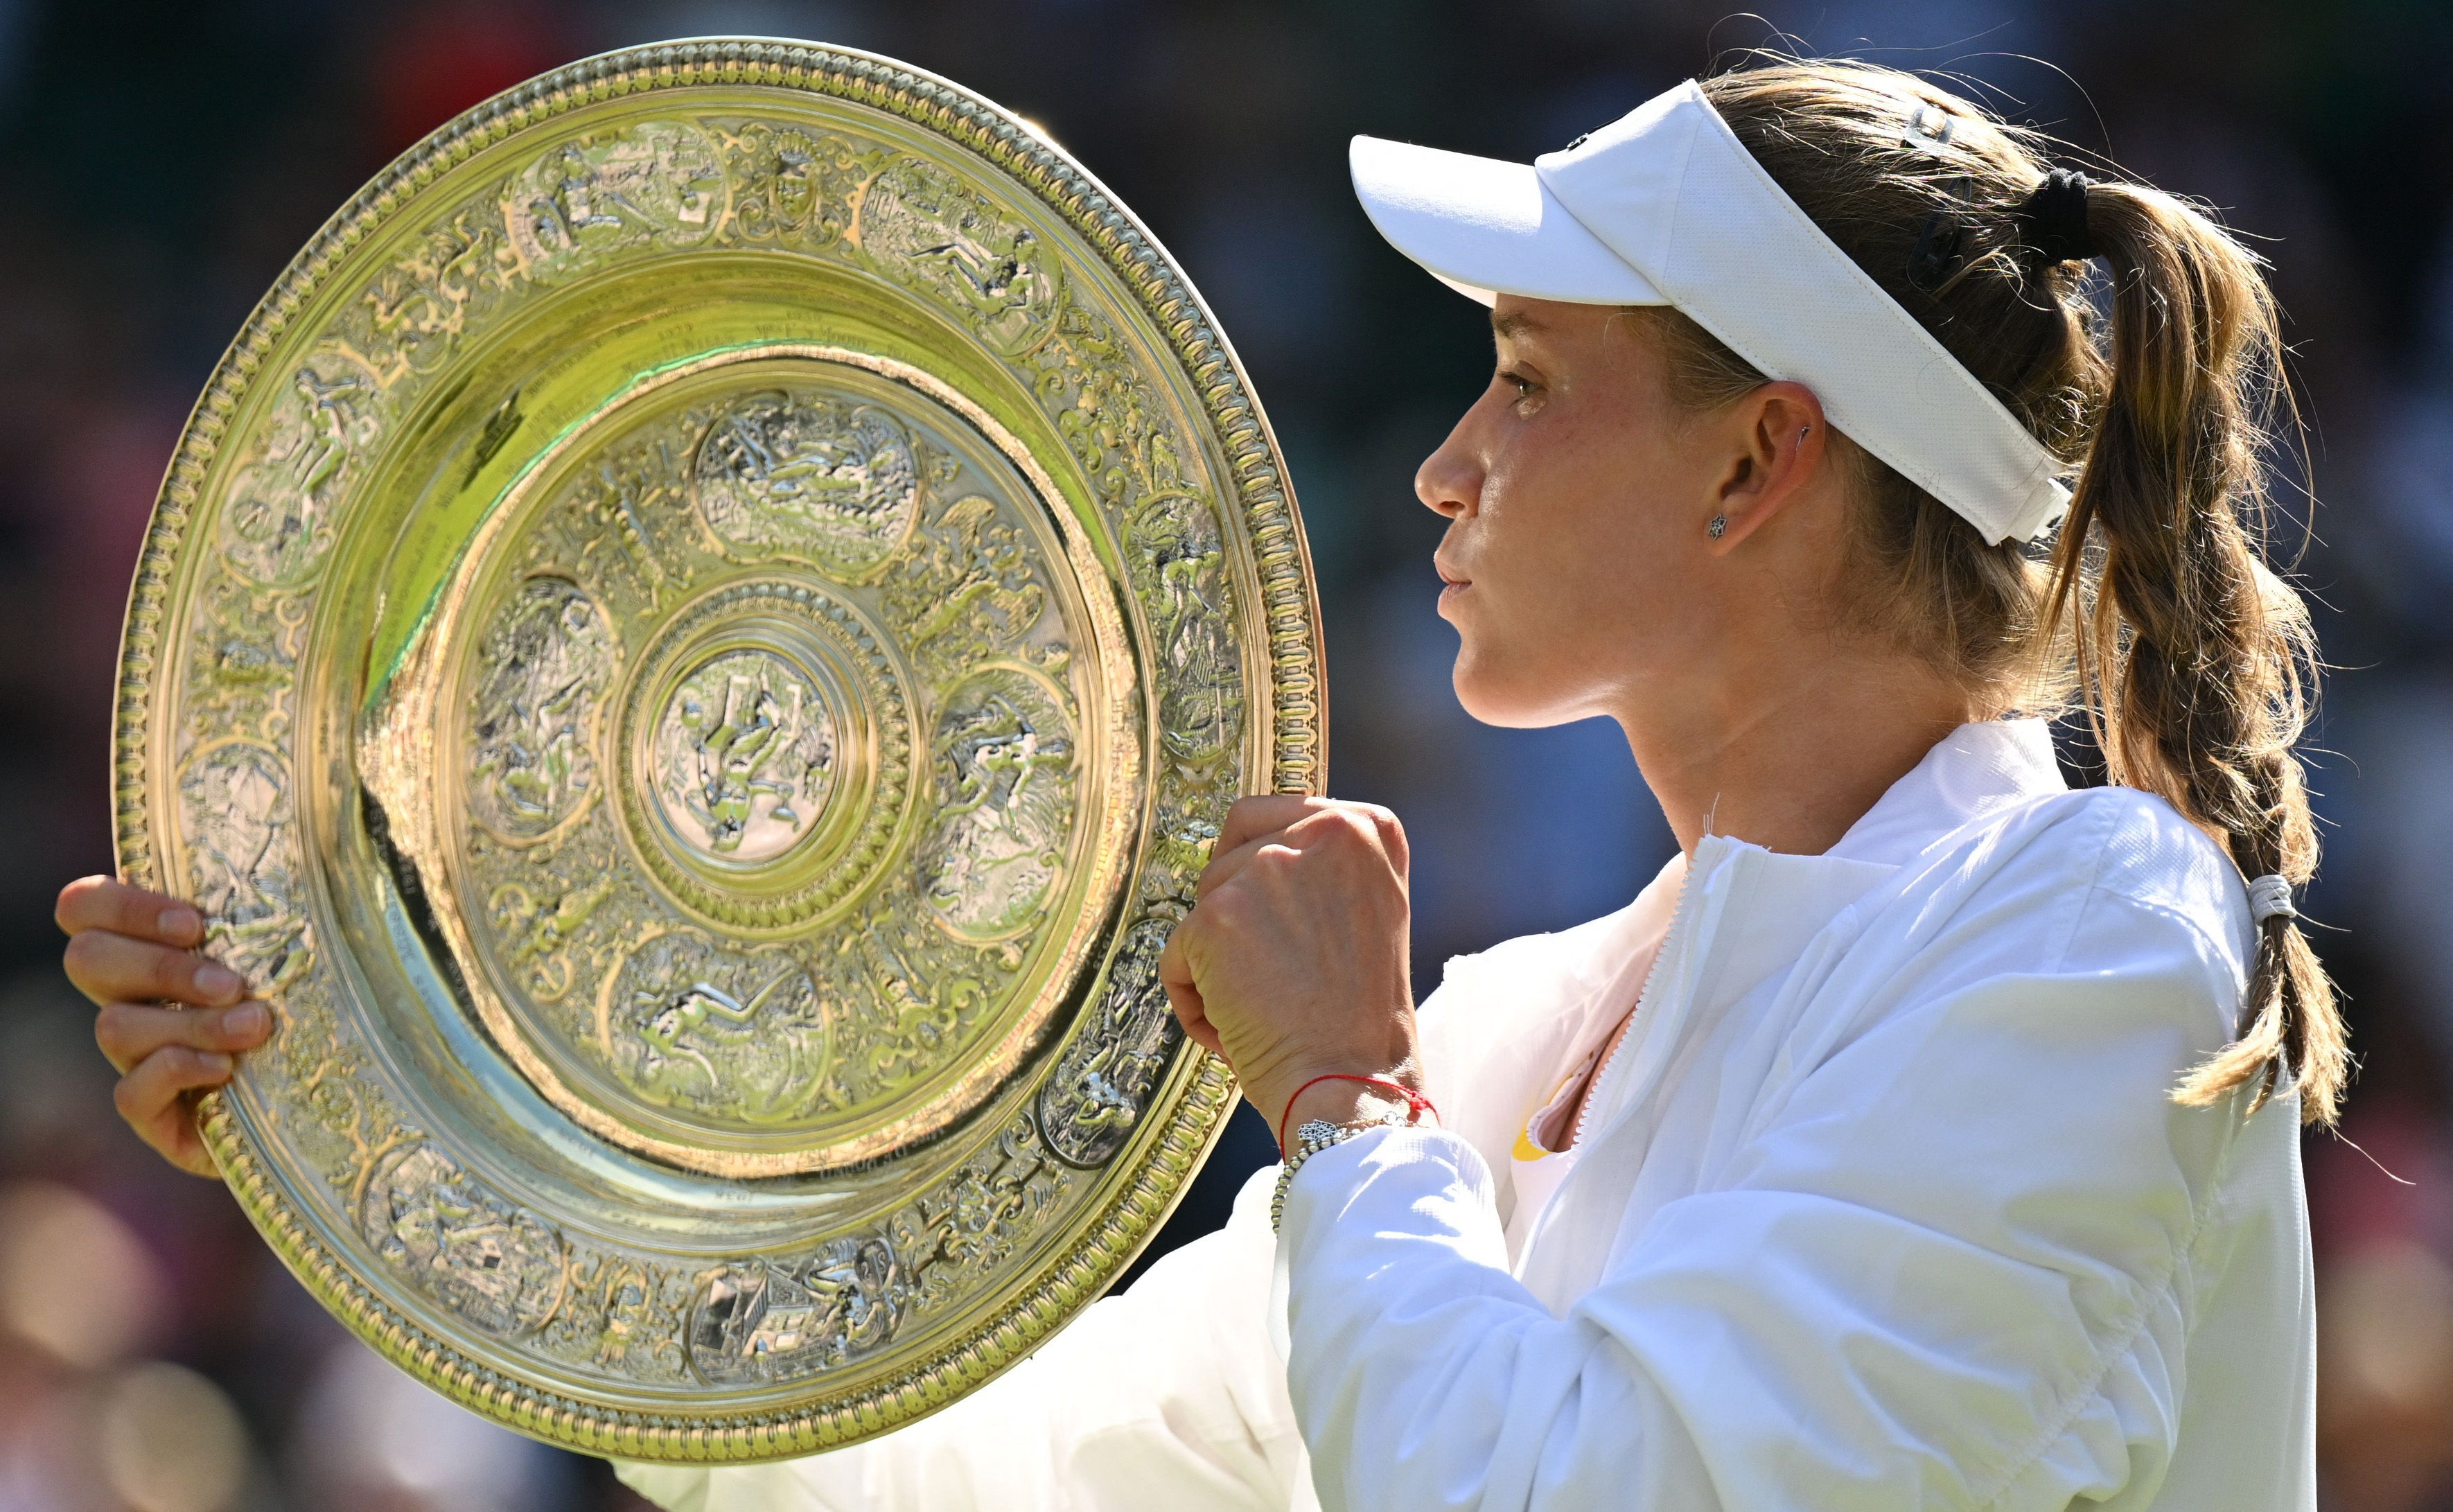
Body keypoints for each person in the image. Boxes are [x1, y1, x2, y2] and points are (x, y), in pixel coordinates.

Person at [58, 57, 2338, 1510]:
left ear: (1762, 458)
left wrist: (1346, 1099)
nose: (1446, 463)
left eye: (1530, 385)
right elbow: (942, 1484)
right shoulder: (1528, 1028)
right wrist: (379, 1111)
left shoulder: (2087, 928)